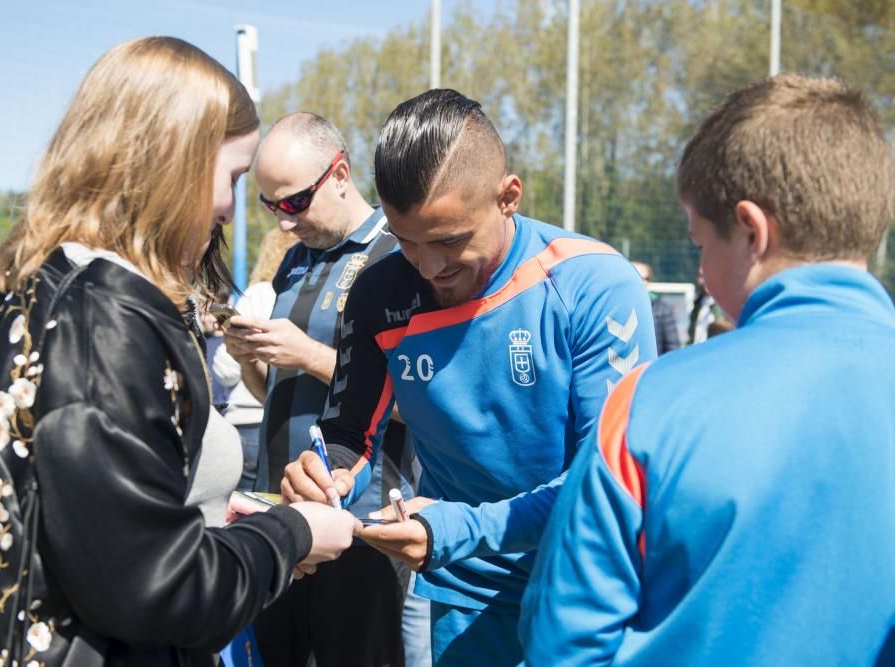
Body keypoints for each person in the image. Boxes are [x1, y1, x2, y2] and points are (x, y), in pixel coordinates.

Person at [0, 37, 360, 667]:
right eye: (232, 179)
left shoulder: (17, 279)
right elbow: (159, 587)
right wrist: (291, 532)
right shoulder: (105, 314)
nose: (228, 209)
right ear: (175, 161)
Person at [519, 74, 895, 665]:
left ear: (751, 230)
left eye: (699, 242)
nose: (698, 271)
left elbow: (564, 645)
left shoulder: (649, 406)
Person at [281, 89, 656, 666]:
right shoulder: (379, 294)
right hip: (465, 592)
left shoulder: (594, 285)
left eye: (450, 241)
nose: (429, 266)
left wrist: (454, 528)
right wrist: (320, 479)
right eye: (406, 242)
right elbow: (348, 436)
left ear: (508, 197)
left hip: (588, 586)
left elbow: (604, 485)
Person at [222, 111, 419, 667]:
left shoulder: (399, 255)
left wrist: (308, 355)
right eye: (270, 205)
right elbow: (275, 397)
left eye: (293, 203)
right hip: (278, 514)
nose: (284, 222)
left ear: (340, 173)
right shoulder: (293, 259)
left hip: (361, 522)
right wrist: (250, 361)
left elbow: (421, 406)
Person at [212, 228, 296, 491]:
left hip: (246, 421)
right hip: (288, 422)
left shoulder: (258, 294)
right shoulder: (304, 297)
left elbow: (225, 370)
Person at [631, 261, 682, 354]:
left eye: (646, 278)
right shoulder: (615, 307)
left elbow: (673, 348)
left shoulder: (661, 310)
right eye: (637, 277)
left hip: (652, 367)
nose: (643, 282)